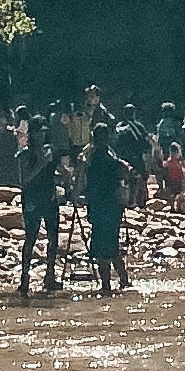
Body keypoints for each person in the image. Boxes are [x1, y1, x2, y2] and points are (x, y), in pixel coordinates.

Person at [82, 118, 131, 294]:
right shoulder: (110, 156)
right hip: (110, 206)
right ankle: (123, 281)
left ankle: (107, 285)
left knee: (102, 248)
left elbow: (88, 181)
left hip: (101, 205)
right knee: (111, 245)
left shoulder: (95, 157)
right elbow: (124, 172)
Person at [18, 120, 66, 299]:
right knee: (31, 237)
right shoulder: (25, 154)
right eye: (37, 132)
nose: (40, 135)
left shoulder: (51, 151)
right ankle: (25, 277)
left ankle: (50, 274)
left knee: (53, 237)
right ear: (32, 134)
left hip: (49, 197)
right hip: (32, 199)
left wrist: (64, 175)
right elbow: (24, 180)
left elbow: (58, 171)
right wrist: (41, 164)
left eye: (43, 132)